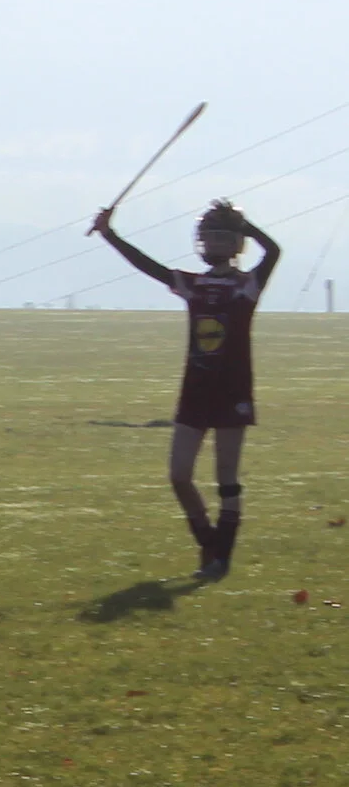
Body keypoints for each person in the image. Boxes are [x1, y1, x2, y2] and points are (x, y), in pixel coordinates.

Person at [95, 199, 280, 580]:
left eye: (221, 238)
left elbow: (274, 251)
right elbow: (147, 266)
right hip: (194, 391)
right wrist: (109, 234)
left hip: (233, 391)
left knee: (226, 478)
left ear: (235, 243)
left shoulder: (247, 286)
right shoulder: (193, 285)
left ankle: (220, 560)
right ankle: (209, 544)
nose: (212, 245)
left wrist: (247, 226)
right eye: (207, 237)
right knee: (179, 475)